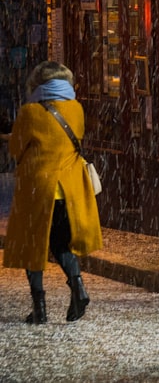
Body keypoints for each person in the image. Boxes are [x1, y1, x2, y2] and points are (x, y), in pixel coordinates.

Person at [4, 61, 103, 324]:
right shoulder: (76, 109)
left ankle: (40, 309)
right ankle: (78, 287)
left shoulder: (30, 112)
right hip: (68, 191)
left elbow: (16, 148)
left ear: (38, 83)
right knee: (61, 244)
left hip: (37, 190)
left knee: (32, 244)